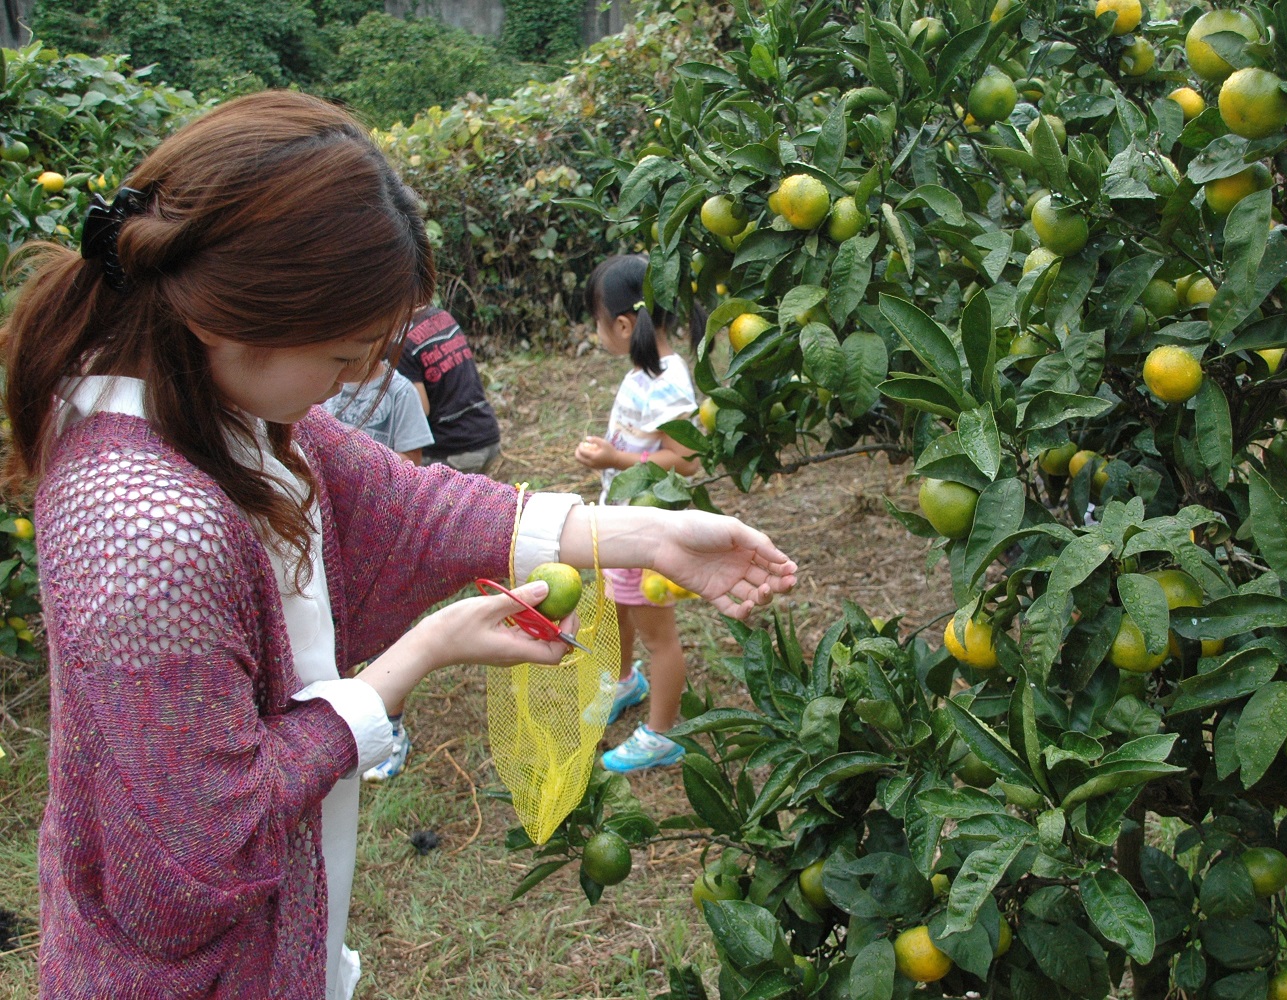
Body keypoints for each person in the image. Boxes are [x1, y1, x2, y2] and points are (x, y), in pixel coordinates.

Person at [2, 91, 796, 1000]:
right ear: (227, 315)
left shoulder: (221, 405)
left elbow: (413, 505)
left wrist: (654, 534)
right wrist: (424, 651)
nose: (362, 378)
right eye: (342, 356)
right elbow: (207, 843)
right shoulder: (145, 529)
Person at [575, 254, 704, 774]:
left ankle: (663, 733)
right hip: (622, 523)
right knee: (617, 610)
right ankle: (626, 681)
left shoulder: (668, 382)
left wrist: (614, 459)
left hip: (649, 530)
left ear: (624, 325)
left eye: (598, 322)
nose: (597, 332)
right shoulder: (645, 371)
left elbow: (686, 462)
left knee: (659, 635)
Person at [320, 361, 432, 780]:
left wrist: (363, 472)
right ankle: (345, 721)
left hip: (380, 535)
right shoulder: (322, 384)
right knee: (338, 633)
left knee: (386, 637)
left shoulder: (399, 392)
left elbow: (411, 468)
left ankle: (391, 728)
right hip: (331, 533)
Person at [397, 303, 502, 472]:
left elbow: (419, 410)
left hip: (455, 450)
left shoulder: (401, 343)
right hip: (487, 433)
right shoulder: (440, 316)